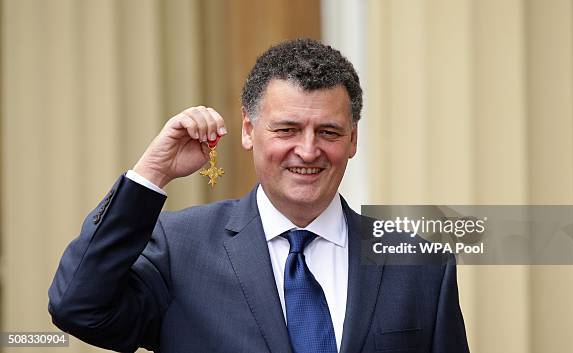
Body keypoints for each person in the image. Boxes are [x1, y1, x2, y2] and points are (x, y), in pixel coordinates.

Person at [49, 38, 469, 353]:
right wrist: (151, 172)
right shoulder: (180, 249)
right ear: (248, 131)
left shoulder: (420, 264)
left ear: (353, 139)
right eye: (286, 130)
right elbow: (78, 307)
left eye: (329, 132)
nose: (308, 150)